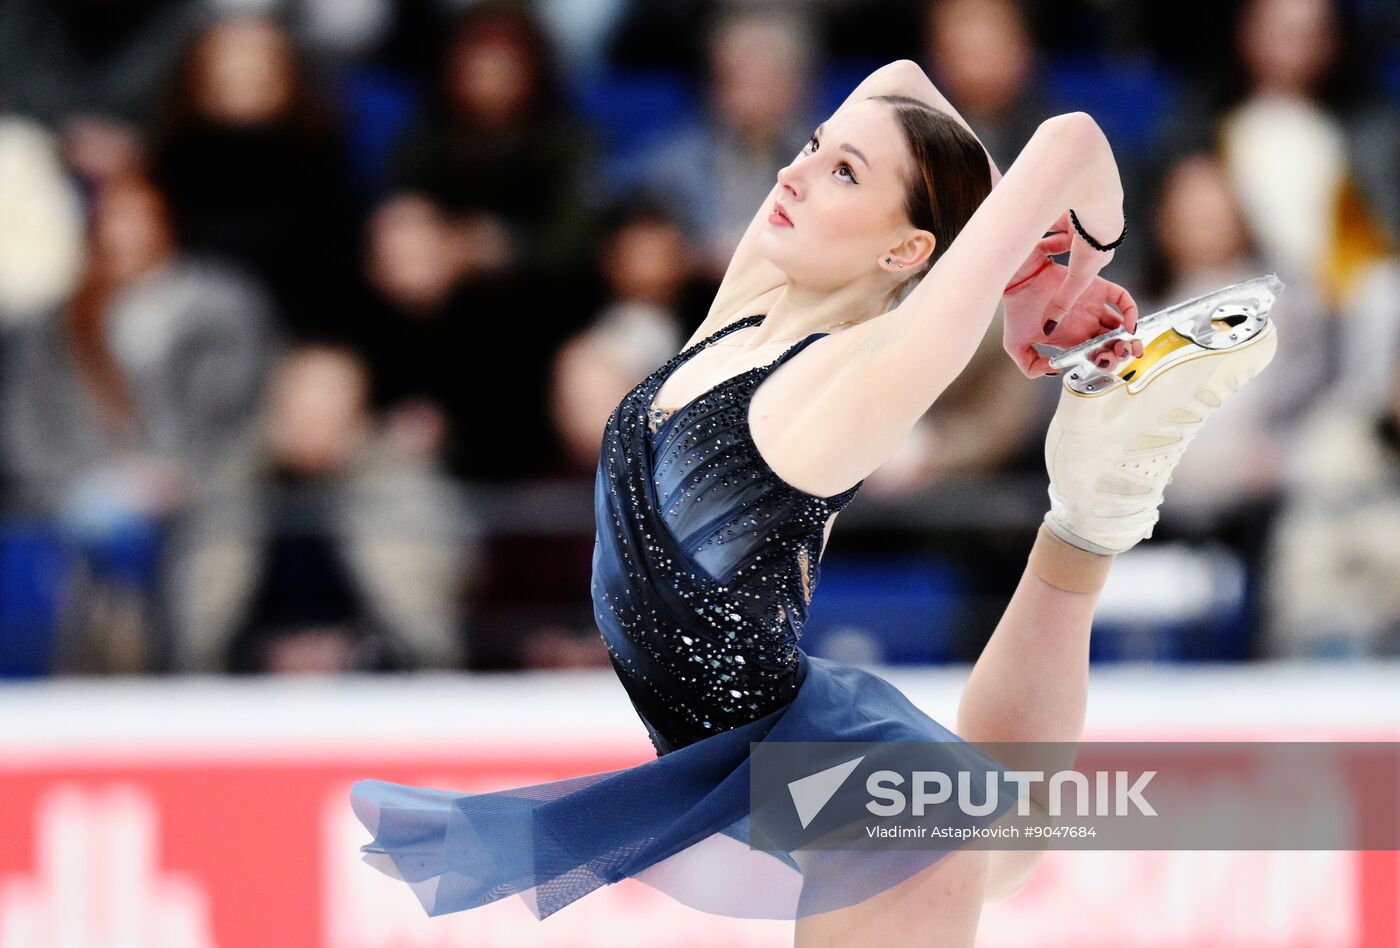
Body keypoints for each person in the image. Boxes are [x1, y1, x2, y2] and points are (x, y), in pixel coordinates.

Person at [349, 60, 1276, 943]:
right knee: (1012, 838)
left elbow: (1072, 140)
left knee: (996, 841)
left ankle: (1097, 505)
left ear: (906, 249)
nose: (794, 173)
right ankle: (1094, 507)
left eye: (842, 172)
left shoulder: (864, 371)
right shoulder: (750, 303)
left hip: (832, 789)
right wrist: (1013, 261)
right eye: (813, 146)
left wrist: (1047, 281)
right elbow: (897, 81)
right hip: (770, 743)